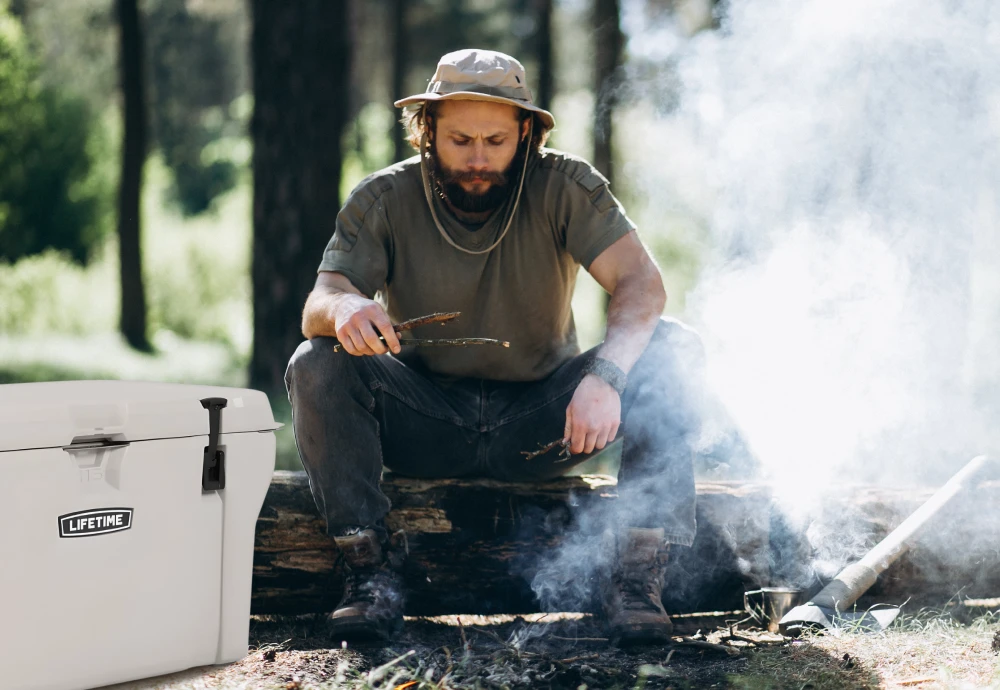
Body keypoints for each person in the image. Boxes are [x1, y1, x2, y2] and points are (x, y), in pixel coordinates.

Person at [285, 49, 706, 644]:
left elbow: (643, 284)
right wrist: (346, 306)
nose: (478, 159)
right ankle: (369, 575)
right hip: (426, 420)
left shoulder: (567, 186)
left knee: (674, 350)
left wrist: (606, 376)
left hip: (545, 422)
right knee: (317, 360)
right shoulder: (384, 197)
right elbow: (320, 300)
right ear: (426, 131)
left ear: (527, 133)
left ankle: (637, 577)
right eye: (459, 140)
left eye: (496, 141)